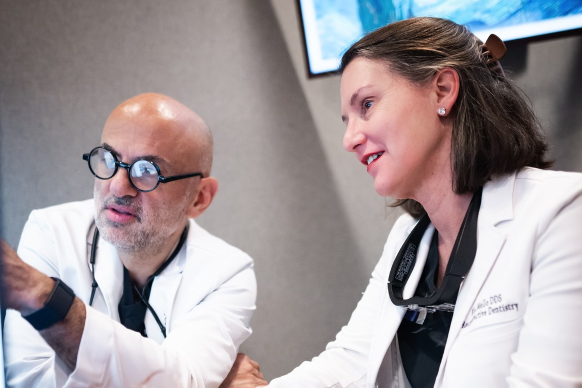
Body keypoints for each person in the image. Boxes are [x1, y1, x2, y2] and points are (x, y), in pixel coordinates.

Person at [222, 17, 582, 387]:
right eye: (347, 119)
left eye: (367, 104)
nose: (349, 138)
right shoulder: (409, 237)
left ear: (442, 90)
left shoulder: (563, 211)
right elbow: (350, 362)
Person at [1, 93, 257, 387]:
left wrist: (46, 297)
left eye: (148, 170)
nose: (118, 186)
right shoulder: (51, 232)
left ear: (199, 198)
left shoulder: (227, 273)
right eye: (109, 159)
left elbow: (186, 381)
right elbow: (28, 381)